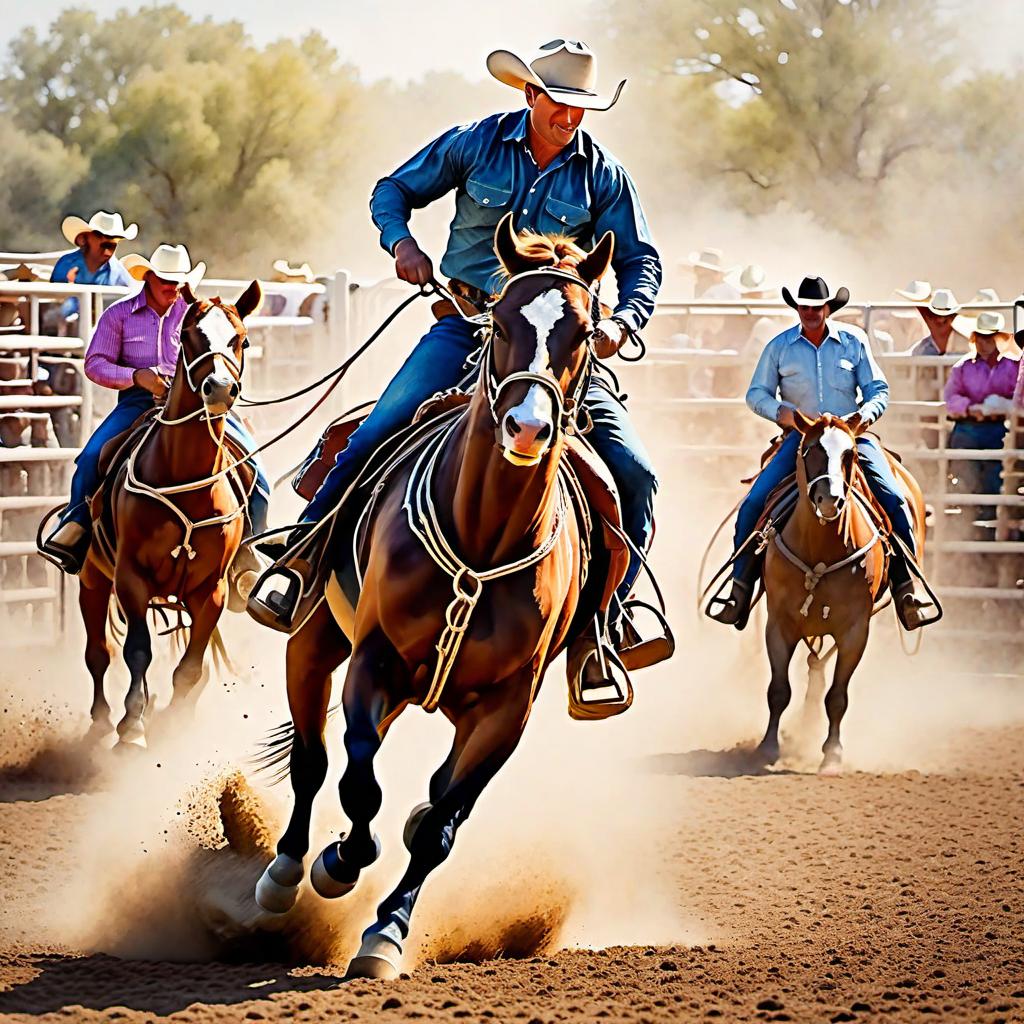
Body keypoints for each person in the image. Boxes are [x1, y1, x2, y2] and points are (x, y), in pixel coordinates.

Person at [264, 38, 662, 641]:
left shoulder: (603, 175)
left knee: (633, 472)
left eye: (582, 106)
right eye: (559, 101)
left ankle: (608, 623)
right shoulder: (475, 142)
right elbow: (391, 191)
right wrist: (402, 243)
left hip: (555, 349)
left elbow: (640, 261)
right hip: (464, 321)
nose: (570, 116)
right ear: (531, 95)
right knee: (379, 429)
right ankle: (301, 561)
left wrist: (620, 322)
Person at [708, 276, 933, 631]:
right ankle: (740, 587)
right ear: (797, 308)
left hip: (851, 439)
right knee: (753, 503)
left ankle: (907, 588)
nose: (811, 312)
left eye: (817, 307)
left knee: (893, 498)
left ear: (829, 308)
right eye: (805, 307)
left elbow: (878, 389)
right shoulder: (780, 346)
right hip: (800, 441)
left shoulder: (853, 342)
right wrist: (781, 412)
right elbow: (756, 394)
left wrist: (864, 416)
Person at [40, 244, 270, 575]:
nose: (171, 287)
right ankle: (75, 525)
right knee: (91, 457)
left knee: (254, 466)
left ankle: (251, 547)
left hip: (199, 402)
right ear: (148, 277)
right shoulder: (118, 315)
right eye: (164, 278)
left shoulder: (199, 316)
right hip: (138, 401)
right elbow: (95, 364)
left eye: (177, 281)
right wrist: (137, 377)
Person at [945, 311, 1020, 505]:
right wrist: (970, 408)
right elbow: (951, 398)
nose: (983, 343)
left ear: (997, 339)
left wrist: (1004, 407)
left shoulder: (1013, 367)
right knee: (966, 475)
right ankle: (968, 515)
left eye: (988, 338)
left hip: (1001, 428)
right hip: (968, 426)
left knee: (996, 478)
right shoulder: (962, 367)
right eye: (979, 337)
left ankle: (988, 518)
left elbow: (1019, 396)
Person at [50, 210, 136, 322]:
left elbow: (132, 306)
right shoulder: (66, 263)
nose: (107, 252)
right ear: (84, 239)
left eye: (112, 245)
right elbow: (52, 301)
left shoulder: (119, 273)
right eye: (100, 236)